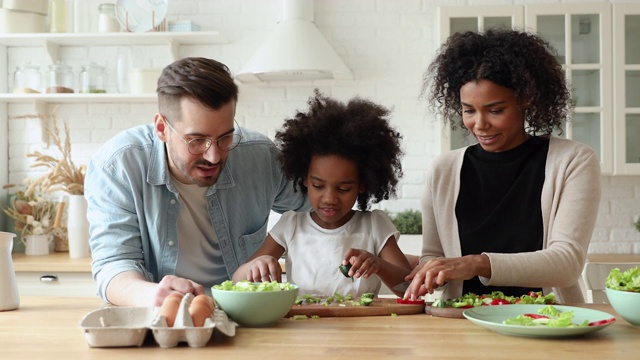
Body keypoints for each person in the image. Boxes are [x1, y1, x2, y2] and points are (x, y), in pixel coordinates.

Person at [85, 57, 309, 307]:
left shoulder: (259, 157)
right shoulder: (118, 166)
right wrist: (155, 295)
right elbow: (114, 267)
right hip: (166, 319)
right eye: (196, 140)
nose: (213, 156)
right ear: (162, 128)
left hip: (249, 315)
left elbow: (319, 213)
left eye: (225, 137)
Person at [403, 29, 601, 304]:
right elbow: (434, 257)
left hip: (547, 324)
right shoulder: (443, 170)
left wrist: (476, 263)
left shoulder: (573, 161)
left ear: (525, 99)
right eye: (468, 110)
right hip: (460, 325)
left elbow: (566, 264)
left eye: (495, 110)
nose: (479, 124)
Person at [232, 90, 412, 297]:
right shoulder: (291, 225)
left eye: (343, 189)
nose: (329, 199)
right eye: (318, 186)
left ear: (362, 184)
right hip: (303, 326)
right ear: (305, 179)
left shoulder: (375, 225)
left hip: (361, 326)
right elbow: (237, 279)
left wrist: (379, 265)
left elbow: (408, 288)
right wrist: (256, 265)